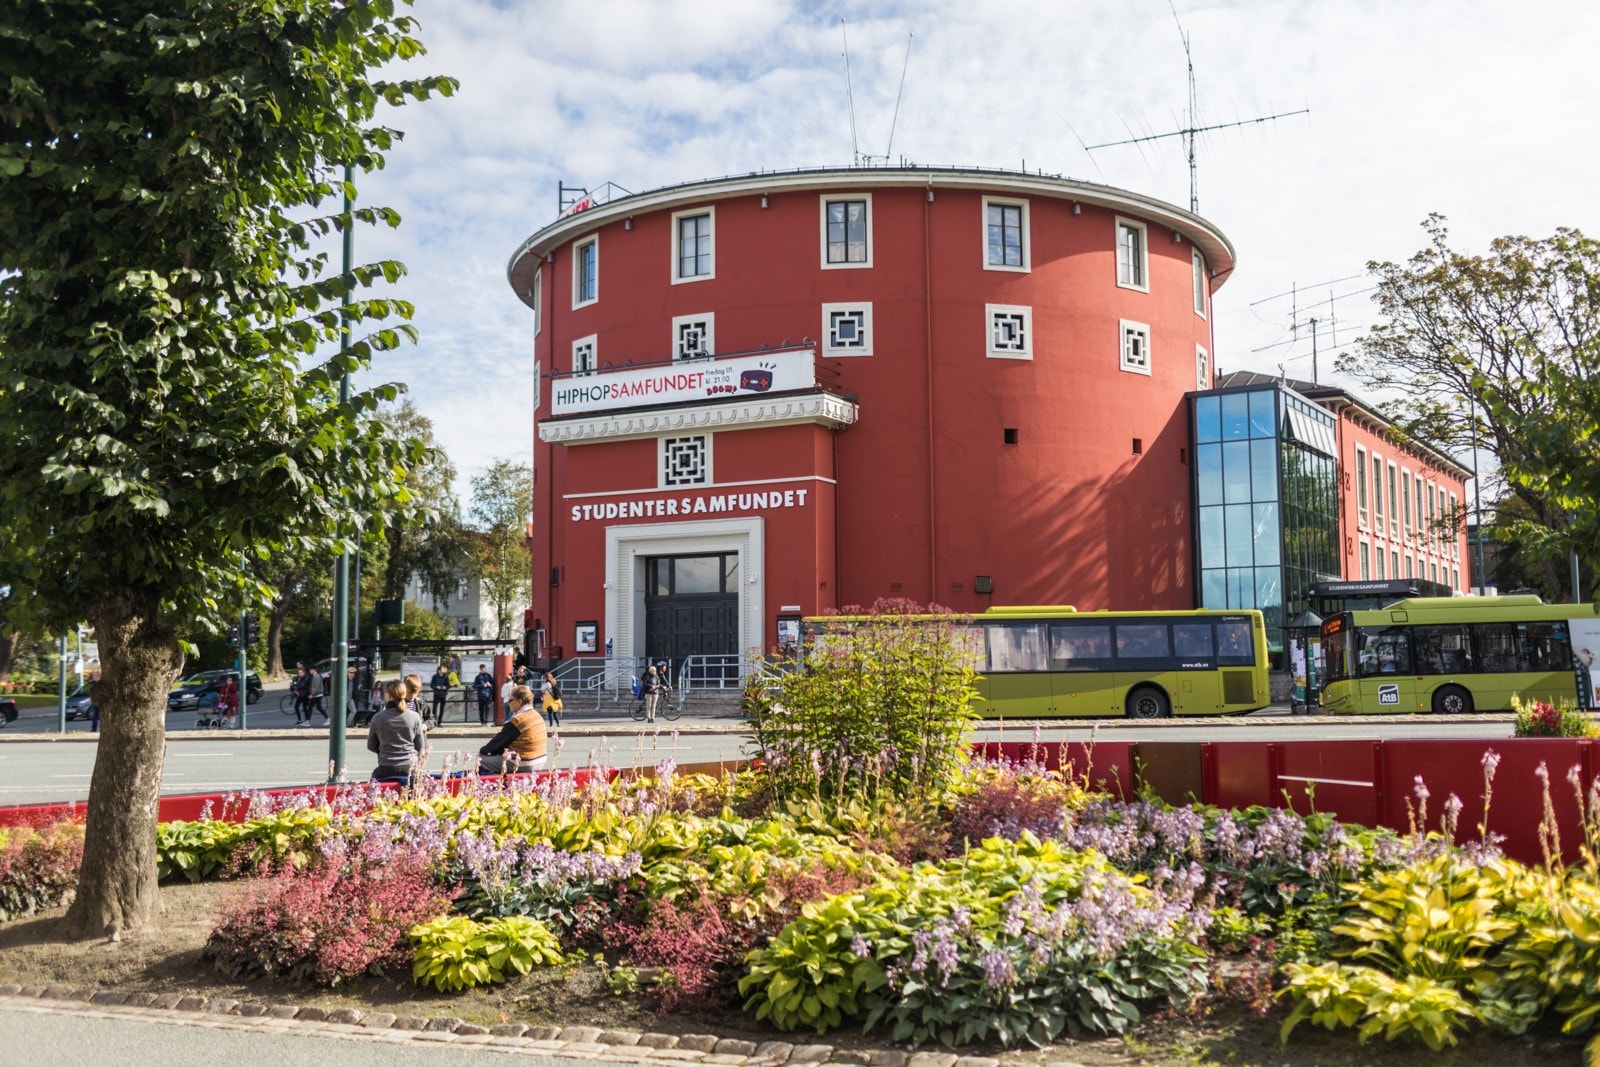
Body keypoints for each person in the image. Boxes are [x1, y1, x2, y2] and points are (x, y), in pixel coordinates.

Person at [477, 684, 547, 774]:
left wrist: (482, 751)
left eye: (510, 700)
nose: (508, 703)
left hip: (525, 762)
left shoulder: (518, 720)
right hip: (540, 761)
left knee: (481, 760)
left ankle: (496, 785)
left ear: (519, 701)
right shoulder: (536, 715)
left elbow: (497, 743)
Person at [367, 678, 425, 782]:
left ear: (388, 695)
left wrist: (385, 751)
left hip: (386, 766)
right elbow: (420, 746)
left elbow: (371, 745)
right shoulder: (415, 716)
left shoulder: (378, 717)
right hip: (410, 766)